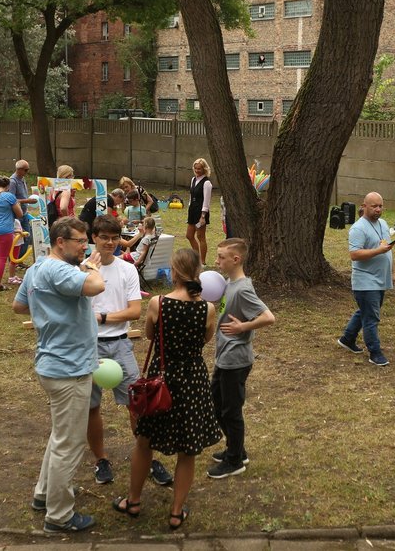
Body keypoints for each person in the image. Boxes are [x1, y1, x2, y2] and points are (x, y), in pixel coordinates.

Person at [112, 248, 221, 530]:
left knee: (145, 441)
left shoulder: (158, 304)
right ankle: (176, 512)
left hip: (161, 378)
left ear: (173, 272)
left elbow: (149, 335)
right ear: (197, 273)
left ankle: (133, 501)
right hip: (193, 381)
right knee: (188, 449)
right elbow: (206, 340)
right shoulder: (208, 308)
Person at [12, 217, 106, 533]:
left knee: (59, 436)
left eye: (86, 241)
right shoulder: (61, 270)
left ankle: (44, 495)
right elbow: (98, 286)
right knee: (70, 444)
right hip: (70, 370)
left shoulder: (37, 269)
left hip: (52, 365)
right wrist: (91, 269)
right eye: (80, 241)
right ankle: (59, 515)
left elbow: (19, 306)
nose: (85, 246)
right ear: (60, 241)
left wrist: (49, 306)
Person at [86, 215, 173, 488]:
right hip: (88, 347)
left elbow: (135, 312)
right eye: (104, 238)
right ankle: (101, 460)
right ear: (94, 238)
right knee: (92, 407)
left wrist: (100, 317)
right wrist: (107, 316)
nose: (110, 243)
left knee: (138, 405)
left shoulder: (126, 270)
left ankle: (146, 456)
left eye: (114, 238)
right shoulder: (81, 269)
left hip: (121, 343)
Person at [208, 238, 275, 479]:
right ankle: (236, 450)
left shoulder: (244, 288)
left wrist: (243, 327)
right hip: (224, 356)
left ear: (235, 259)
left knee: (231, 412)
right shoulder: (229, 283)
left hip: (236, 359)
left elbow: (269, 317)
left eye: (221, 257)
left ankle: (235, 461)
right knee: (216, 405)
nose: (216, 262)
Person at [337, 192, 395, 367]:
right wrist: (379, 251)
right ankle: (375, 352)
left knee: (366, 311)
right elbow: (355, 254)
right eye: (374, 206)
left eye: (380, 206)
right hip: (365, 281)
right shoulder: (358, 228)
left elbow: (389, 248)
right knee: (371, 317)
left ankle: (347, 339)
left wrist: (392, 271)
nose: (378, 210)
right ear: (364, 206)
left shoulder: (383, 224)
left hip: (380, 278)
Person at [186, 158, 212, 265]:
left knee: (201, 236)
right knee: (189, 235)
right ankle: (197, 258)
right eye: (195, 168)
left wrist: (203, 216)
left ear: (204, 169)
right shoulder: (193, 180)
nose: (197, 170)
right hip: (192, 210)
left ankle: (203, 261)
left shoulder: (207, 183)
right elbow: (191, 197)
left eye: (199, 169)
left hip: (201, 212)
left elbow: (206, 200)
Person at [8, 160, 37, 257]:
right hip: (16, 215)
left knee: (27, 237)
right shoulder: (12, 181)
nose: (27, 172)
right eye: (26, 170)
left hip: (24, 213)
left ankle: (19, 260)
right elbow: (11, 200)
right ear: (19, 170)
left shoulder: (22, 178)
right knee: (19, 238)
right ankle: (15, 260)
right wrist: (27, 201)